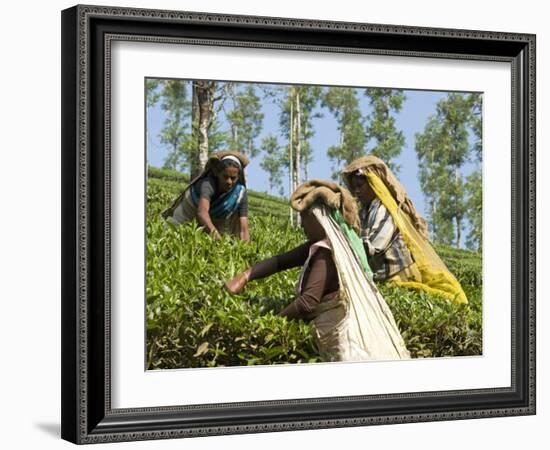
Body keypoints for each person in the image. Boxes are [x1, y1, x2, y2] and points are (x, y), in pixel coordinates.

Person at [224, 180, 410, 362]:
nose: (302, 225)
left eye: (305, 218)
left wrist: (268, 324)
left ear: (318, 219)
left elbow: (307, 303)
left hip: (341, 343)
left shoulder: (326, 253)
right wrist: (245, 275)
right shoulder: (330, 245)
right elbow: (279, 262)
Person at [342, 155, 467, 304]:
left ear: (373, 183)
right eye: (354, 187)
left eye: (360, 186)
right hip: (381, 278)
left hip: (400, 277)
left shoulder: (386, 210)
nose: (356, 191)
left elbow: (375, 246)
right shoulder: (364, 213)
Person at [162, 150, 250, 242]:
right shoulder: (208, 184)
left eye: (233, 178)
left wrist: (246, 249)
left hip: (216, 217)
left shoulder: (239, 193)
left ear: (238, 177)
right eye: (225, 176)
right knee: (171, 234)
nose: (229, 182)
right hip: (190, 208)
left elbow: (244, 229)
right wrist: (217, 237)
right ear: (218, 174)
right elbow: (202, 213)